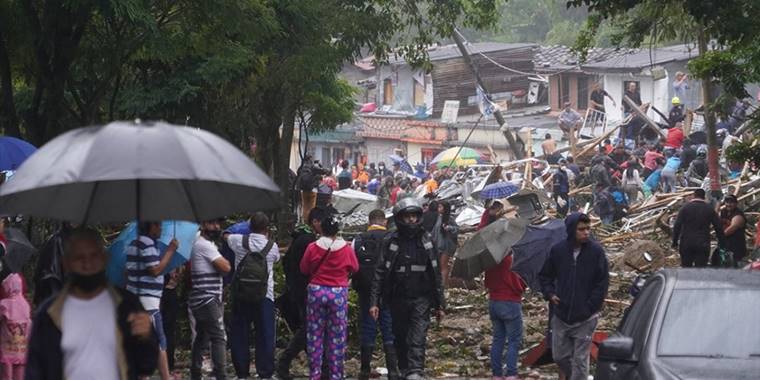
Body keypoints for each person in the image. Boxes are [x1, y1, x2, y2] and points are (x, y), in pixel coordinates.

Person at [26, 227, 158, 380]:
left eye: (93, 256)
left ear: (104, 258)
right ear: (66, 263)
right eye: (79, 258)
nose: (87, 264)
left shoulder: (127, 305)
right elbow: (35, 370)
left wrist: (146, 337)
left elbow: (146, 366)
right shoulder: (49, 313)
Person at [369, 197, 446, 380]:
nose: (411, 220)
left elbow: (435, 273)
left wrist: (440, 304)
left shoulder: (427, 240)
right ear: (399, 218)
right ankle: (404, 369)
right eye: (407, 216)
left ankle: (415, 370)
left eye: (414, 216)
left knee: (418, 337)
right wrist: (374, 302)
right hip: (398, 298)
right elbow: (380, 272)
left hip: (422, 298)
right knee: (400, 336)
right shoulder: (391, 240)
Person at [539, 213, 609, 380]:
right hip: (561, 315)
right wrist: (550, 294)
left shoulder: (596, 252)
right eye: (581, 229)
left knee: (580, 359)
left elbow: (602, 282)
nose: (586, 232)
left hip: (586, 317)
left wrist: (591, 306)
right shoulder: (558, 251)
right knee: (559, 356)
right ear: (571, 230)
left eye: (588, 229)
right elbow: (545, 276)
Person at [300, 215, 358, 380]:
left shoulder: (312, 247)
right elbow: (355, 267)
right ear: (337, 230)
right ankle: (335, 374)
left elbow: (304, 268)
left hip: (316, 292)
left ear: (321, 229)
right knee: (337, 337)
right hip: (338, 293)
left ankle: (315, 374)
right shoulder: (346, 248)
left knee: (315, 334)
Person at [225, 213, 281, 380]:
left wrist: (238, 228)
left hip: (241, 294)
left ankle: (242, 373)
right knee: (265, 334)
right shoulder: (272, 247)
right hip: (265, 296)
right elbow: (276, 260)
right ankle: (265, 373)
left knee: (240, 333)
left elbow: (225, 235)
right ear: (267, 229)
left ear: (250, 227)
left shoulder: (237, 241)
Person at [276, 208, 326, 380]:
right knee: (308, 329)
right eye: (323, 222)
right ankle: (284, 363)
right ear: (315, 222)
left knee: (309, 329)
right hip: (305, 291)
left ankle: (321, 367)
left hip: (297, 290)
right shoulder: (308, 241)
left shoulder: (300, 238)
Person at [126, 222, 178, 380]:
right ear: (151, 226)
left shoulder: (134, 244)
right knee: (159, 341)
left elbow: (126, 272)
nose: (161, 229)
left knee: (142, 340)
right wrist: (170, 251)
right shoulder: (146, 243)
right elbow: (155, 270)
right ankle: (166, 377)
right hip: (147, 301)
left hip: (136, 298)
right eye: (158, 225)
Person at [351, 210, 399, 380]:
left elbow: (352, 266)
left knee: (368, 327)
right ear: (384, 221)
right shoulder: (392, 238)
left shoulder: (358, 239)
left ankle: (364, 370)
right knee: (388, 327)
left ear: (369, 221)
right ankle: (393, 370)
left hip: (365, 290)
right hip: (387, 291)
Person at [188, 220, 231, 380]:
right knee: (219, 337)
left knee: (202, 336)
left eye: (218, 224)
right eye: (213, 224)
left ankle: (195, 372)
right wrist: (223, 263)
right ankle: (221, 375)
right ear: (204, 225)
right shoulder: (204, 245)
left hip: (202, 298)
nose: (217, 227)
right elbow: (226, 268)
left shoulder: (204, 244)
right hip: (207, 299)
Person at [485, 253, 526, 380]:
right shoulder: (510, 261)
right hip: (510, 302)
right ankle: (511, 373)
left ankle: (496, 374)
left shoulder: (491, 261)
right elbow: (518, 285)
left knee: (498, 339)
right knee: (514, 341)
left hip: (494, 302)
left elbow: (487, 282)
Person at [672, 189, 726, 267]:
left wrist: (675, 241)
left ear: (694, 196)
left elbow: (677, 225)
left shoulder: (685, 208)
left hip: (686, 243)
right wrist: (722, 242)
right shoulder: (709, 209)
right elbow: (718, 227)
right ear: (704, 197)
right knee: (700, 268)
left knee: (686, 268)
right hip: (703, 243)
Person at [0, 274, 30, 380]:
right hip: (21, 349)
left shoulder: (4, 304)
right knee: (19, 377)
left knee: (6, 377)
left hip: (7, 349)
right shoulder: (26, 304)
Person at [430, 201, 459, 287]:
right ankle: (445, 283)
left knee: (443, 265)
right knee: (441, 265)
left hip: (447, 245)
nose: (438, 209)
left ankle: (443, 285)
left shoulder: (449, 218)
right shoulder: (439, 218)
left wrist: (449, 228)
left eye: (440, 207)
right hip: (439, 244)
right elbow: (435, 231)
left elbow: (457, 229)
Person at [160, 268, 181, 378]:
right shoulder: (174, 258)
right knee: (168, 332)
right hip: (168, 293)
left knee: (165, 331)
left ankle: (167, 363)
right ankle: (169, 364)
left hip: (162, 293)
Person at [718, 194, 747, 266]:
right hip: (725, 245)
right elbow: (715, 218)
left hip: (736, 247)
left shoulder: (738, 215)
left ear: (736, 204)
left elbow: (732, 228)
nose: (728, 204)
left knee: (735, 266)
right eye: (727, 202)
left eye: (731, 202)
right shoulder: (724, 211)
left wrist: (719, 236)